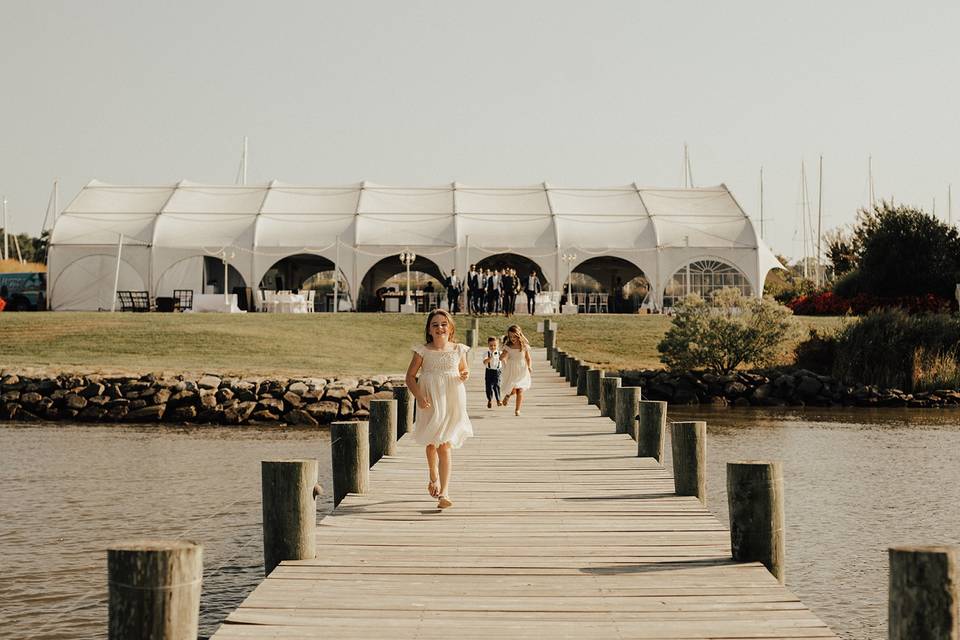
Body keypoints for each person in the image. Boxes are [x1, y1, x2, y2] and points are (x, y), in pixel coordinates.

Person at [405, 309, 472, 509]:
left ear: (450, 328)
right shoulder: (422, 351)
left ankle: (445, 492)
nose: (440, 327)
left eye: (443, 324)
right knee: (432, 443)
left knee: (445, 444)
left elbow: (463, 370)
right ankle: (433, 475)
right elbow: (410, 377)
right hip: (430, 399)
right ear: (429, 329)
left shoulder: (459, 349)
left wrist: (465, 374)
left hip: (452, 398)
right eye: (435, 324)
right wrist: (419, 396)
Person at [500, 324, 532, 416]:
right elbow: (503, 356)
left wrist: (529, 366)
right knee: (513, 388)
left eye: (514, 336)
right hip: (512, 369)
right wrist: (502, 356)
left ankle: (517, 409)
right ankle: (508, 395)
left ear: (518, 335)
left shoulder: (523, 345)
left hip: (522, 369)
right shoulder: (508, 346)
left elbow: (528, 358)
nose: (512, 338)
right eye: (510, 336)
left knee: (520, 389)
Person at [482, 336, 502, 409]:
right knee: (489, 387)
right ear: (488, 345)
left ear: (498, 345)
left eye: (494, 345)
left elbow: (504, 359)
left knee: (497, 385)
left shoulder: (500, 353)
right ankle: (489, 400)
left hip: (497, 371)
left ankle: (498, 400)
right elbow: (484, 362)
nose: (493, 347)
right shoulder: (486, 353)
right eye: (491, 345)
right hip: (489, 371)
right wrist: (490, 357)